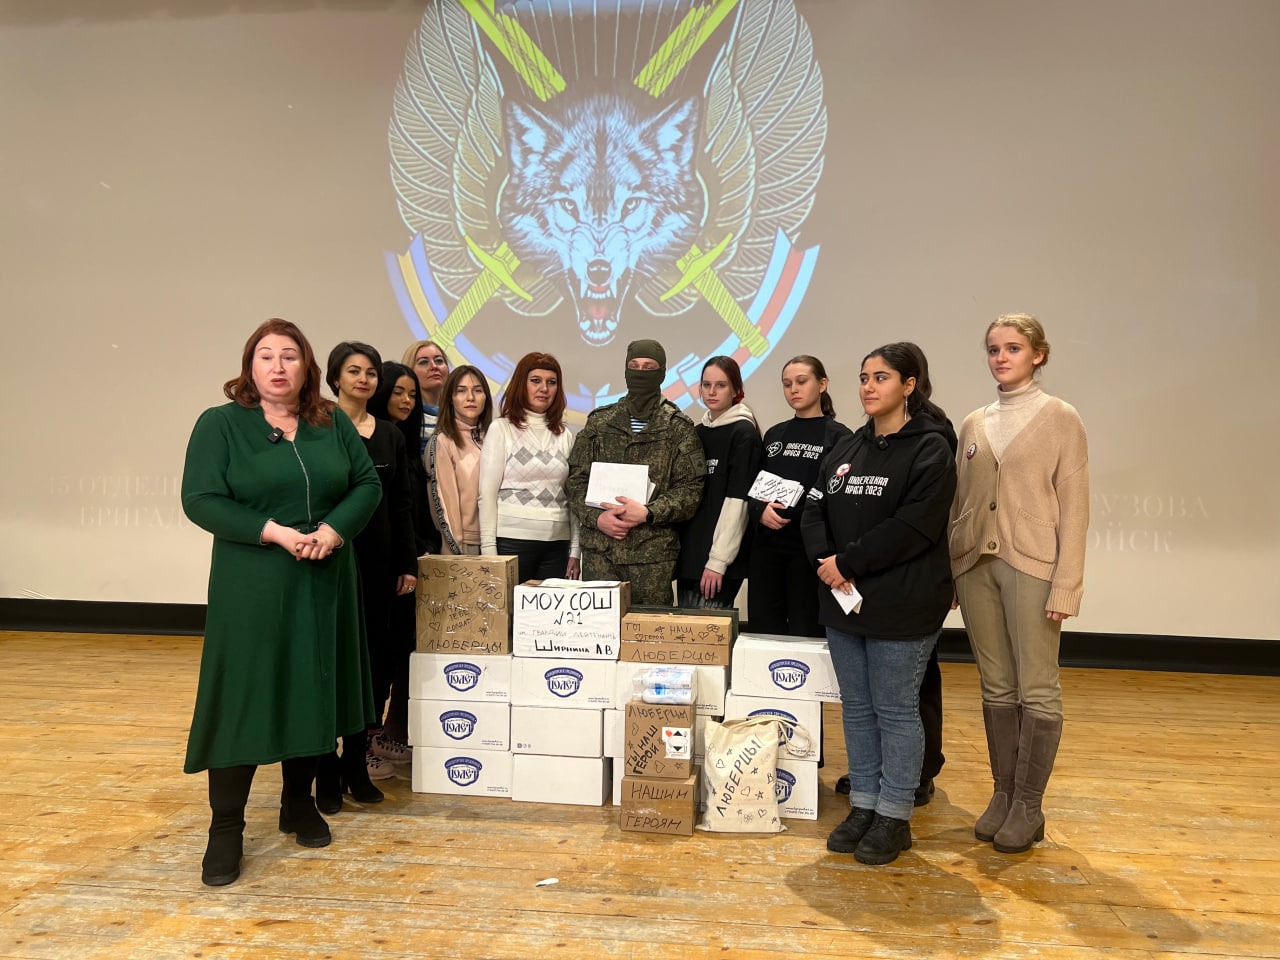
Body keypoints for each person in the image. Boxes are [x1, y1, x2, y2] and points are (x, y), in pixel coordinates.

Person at [181, 318, 381, 887]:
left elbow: (366, 484)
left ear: (306, 367)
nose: (277, 366)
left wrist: (333, 531)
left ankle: (298, 803)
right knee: (242, 696)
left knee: (310, 688)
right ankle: (226, 827)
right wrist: (274, 532)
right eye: (265, 355)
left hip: (324, 575)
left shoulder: (330, 421)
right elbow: (200, 499)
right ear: (250, 367)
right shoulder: (220, 424)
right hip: (254, 581)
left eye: (289, 356)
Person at [802, 342, 956, 865]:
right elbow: (814, 507)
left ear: (909, 385)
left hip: (902, 603)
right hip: (843, 601)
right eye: (864, 377)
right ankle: (864, 804)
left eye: (881, 377)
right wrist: (826, 561)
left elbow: (913, 527)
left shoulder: (931, 448)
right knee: (858, 708)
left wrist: (848, 563)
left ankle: (894, 816)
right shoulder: (847, 446)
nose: (868, 386)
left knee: (894, 710)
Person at [950, 313, 1089, 854]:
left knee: (1037, 686)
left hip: (1033, 565)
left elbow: (1075, 508)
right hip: (975, 567)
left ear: (1038, 354)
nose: (1001, 357)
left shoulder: (1060, 418)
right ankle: (1003, 793)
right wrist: (954, 568)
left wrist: (1066, 585)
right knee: (995, 685)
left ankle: (1029, 805)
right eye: (993, 349)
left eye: (1012, 348)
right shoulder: (973, 423)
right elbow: (960, 502)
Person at [318, 342, 418, 806]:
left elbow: (401, 506)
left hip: (379, 564)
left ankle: (355, 765)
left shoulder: (391, 435)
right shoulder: (317, 427)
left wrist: (406, 564)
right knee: (329, 663)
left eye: (371, 372)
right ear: (335, 377)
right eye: (354, 371)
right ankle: (324, 766)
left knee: (374, 664)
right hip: (329, 561)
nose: (364, 379)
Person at [566, 339, 705, 605]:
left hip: (652, 559)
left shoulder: (678, 427)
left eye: (649, 367)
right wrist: (597, 518)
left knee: (650, 630)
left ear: (661, 373)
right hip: (600, 555)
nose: (641, 372)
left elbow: (690, 491)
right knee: (598, 628)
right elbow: (575, 482)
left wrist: (648, 512)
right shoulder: (600, 422)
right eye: (634, 366)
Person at [748, 356, 852, 636]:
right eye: (787, 384)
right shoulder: (774, 434)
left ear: (822, 384)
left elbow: (834, 496)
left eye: (801, 382)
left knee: (805, 631)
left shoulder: (840, 437)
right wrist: (759, 510)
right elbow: (754, 487)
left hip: (808, 551)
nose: (793, 389)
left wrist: (793, 513)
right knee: (763, 631)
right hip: (767, 549)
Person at [365, 361, 432, 768]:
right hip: (373, 563)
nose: (407, 400)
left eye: (412, 394)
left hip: (405, 564)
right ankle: (362, 746)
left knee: (395, 653)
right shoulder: (365, 437)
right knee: (373, 656)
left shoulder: (402, 440)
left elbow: (408, 509)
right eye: (398, 392)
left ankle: (378, 738)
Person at [479, 352, 581, 582]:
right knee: (510, 607)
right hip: (510, 542)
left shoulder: (565, 435)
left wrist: (575, 550)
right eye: (536, 380)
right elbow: (486, 495)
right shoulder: (501, 429)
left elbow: (573, 496)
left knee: (551, 607)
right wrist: (489, 553)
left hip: (557, 545)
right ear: (521, 384)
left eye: (551, 382)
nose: (544, 388)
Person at [676, 356, 762, 608]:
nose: (712, 392)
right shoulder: (697, 432)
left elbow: (738, 502)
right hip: (691, 558)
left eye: (721, 385)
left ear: (736, 389)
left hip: (717, 563)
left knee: (707, 631)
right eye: (706, 385)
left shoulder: (743, 433)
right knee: (684, 630)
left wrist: (718, 561)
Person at [426, 365, 493, 554]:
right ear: (450, 398)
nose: (470, 397)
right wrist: (457, 551)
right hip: (464, 546)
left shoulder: (493, 438)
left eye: (477, 391)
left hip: (496, 541)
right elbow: (443, 505)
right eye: (461, 391)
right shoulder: (443, 441)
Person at [401, 340, 450, 454]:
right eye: (423, 362)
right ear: (409, 370)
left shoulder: (459, 412)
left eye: (439, 361)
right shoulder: (404, 413)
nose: (434, 366)